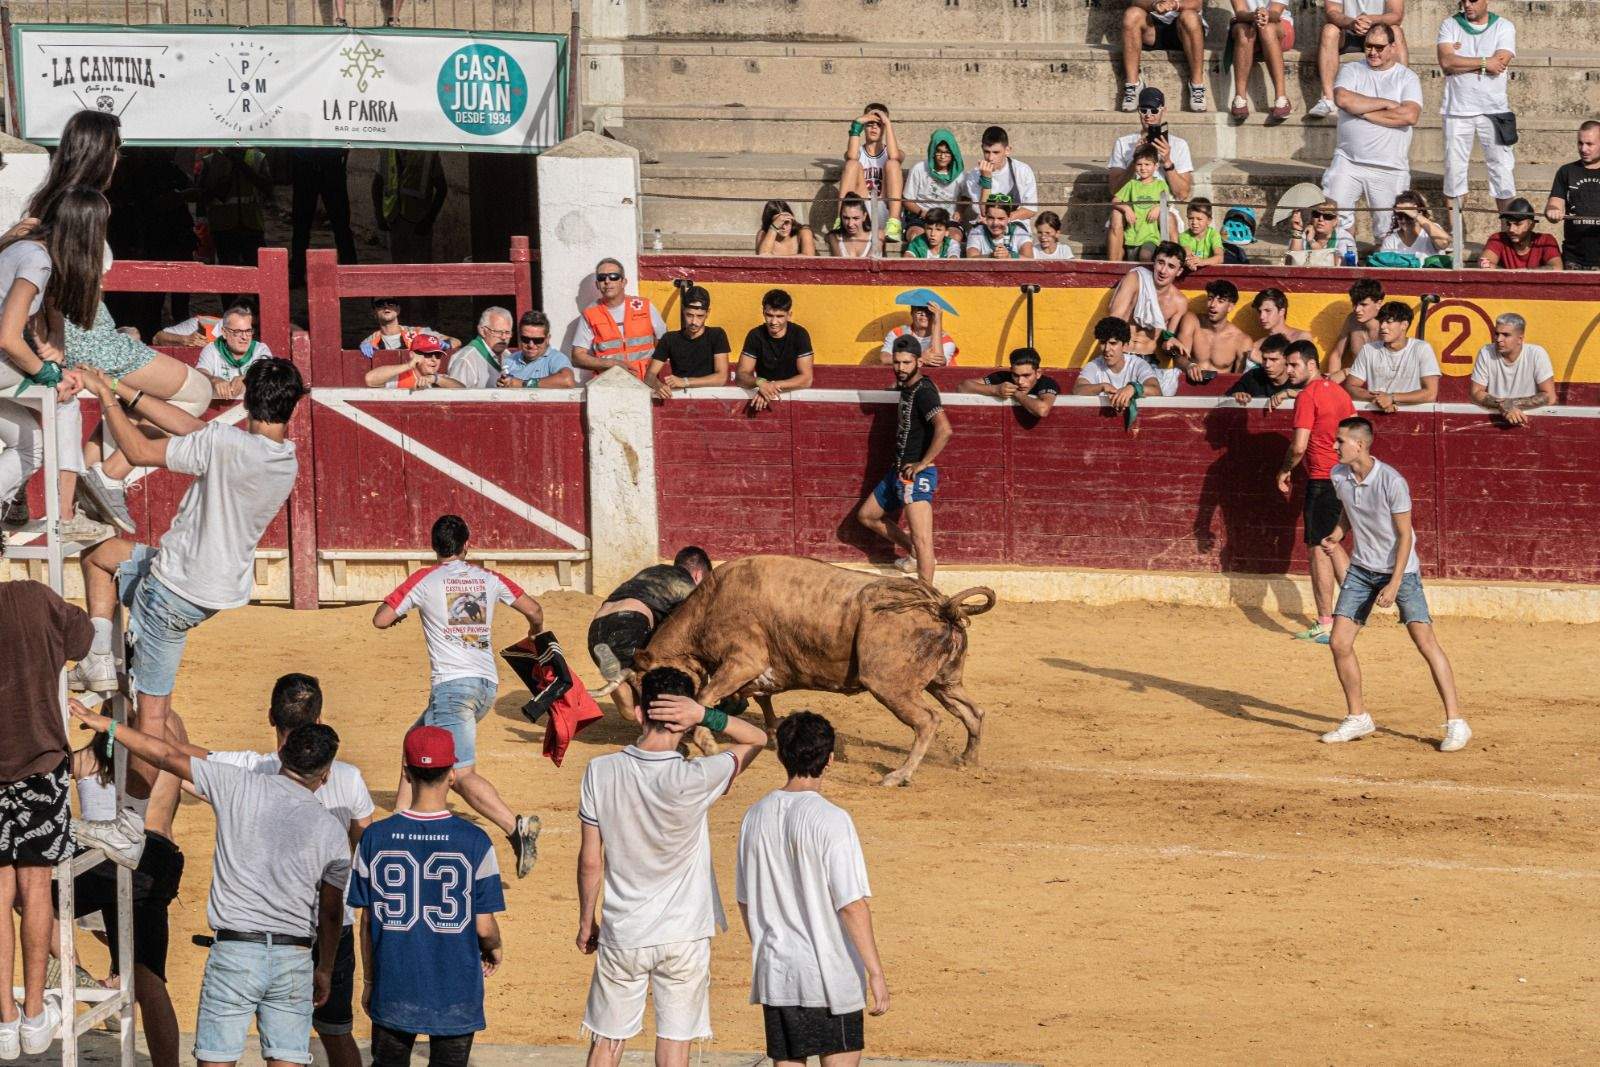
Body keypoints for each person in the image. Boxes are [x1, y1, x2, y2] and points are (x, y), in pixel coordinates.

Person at [72, 358, 308, 868]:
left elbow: (136, 450)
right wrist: (118, 384)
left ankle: (128, 822)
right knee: (101, 552)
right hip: (204, 591)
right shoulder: (281, 458)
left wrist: (107, 397)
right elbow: (198, 430)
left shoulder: (225, 446)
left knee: (151, 720)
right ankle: (95, 649)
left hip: (169, 591)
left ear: (245, 399)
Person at [67, 705, 356, 1064]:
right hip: (294, 958)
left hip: (235, 952)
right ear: (325, 776)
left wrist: (109, 726)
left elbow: (167, 755)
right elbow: (330, 910)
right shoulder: (330, 828)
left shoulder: (236, 784)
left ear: (282, 753)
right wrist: (325, 967)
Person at [576, 667, 768, 1067]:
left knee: (607, 1040)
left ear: (642, 713)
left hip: (623, 930)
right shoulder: (698, 775)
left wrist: (586, 920)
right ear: (682, 720)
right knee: (675, 1044)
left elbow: (591, 860)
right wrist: (706, 716)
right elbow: (758, 738)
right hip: (684, 934)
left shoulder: (600, 771)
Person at [178, 674, 370, 1067]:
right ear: (320, 721)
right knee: (335, 1034)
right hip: (328, 931)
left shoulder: (246, 770)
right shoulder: (347, 775)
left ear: (270, 717)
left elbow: (180, 756)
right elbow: (362, 842)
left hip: (246, 936)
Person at [373, 514, 544, 879]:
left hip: (452, 690)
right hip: (486, 686)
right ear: (468, 545)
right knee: (413, 742)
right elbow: (535, 610)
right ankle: (399, 824)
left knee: (459, 774)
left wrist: (405, 613)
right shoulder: (488, 578)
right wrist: (535, 633)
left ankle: (516, 828)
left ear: (434, 546)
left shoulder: (424, 579)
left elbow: (381, 619)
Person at [735, 712, 890, 1067]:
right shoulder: (832, 819)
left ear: (781, 756)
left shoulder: (754, 816)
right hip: (830, 972)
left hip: (778, 971)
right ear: (829, 759)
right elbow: (851, 904)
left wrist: (768, 947)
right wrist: (876, 973)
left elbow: (745, 900)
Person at [347, 725, 506, 1067]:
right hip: (456, 990)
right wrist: (494, 949)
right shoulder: (476, 841)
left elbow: (367, 922)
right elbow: (483, 926)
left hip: (394, 983)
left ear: (405, 770)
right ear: (452, 774)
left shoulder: (375, 838)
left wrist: (371, 980)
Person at [1319, 418, 1470, 751]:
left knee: (1425, 641)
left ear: (1359, 444)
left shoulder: (1392, 481)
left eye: (1340, 441)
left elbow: (1405, 537)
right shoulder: (1338, 476)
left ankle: (1457, 722)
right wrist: (1338, 534)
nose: (1334, 446)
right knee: (1339, 642)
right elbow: (1347, 511)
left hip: (1401, 570)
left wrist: (1395, 582)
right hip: (1361, 568)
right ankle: (1358, 717)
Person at [0, 576, 93, 1056]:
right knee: (36, 889)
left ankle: (5, 1016)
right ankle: (34, 1012)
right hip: (39, 762)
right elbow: (83, 637)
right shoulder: (33, 598)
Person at [68, 708, 191, 1067]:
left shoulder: (150, 726)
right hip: (151, 856)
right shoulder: (164, 724)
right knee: (147, 976)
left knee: (32, 894)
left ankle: (70, 968)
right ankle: (74, 970)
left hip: (129, 855)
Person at [1276, 340, 1355, 644]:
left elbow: (1298, 446)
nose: (1288, 370)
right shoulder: (1339, 393)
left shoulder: (1308, 396)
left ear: (1312, 364)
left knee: (1318, 547)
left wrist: (1284, 469)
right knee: (1332, 543)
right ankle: (1355, 611)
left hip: (1323, 479)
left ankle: (1326, 621)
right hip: (1344, 477)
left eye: (1294, 365)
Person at [855, 336, 951, 584]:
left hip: (915, 474)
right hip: (898, 470)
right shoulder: (909, 387)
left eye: (907, 363)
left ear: (919, 361)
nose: (900, 368)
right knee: (867, 515)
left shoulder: (925, 392)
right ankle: (912, 552)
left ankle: (926, 595)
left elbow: (945, 429)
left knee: (923, 539)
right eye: (897, 362)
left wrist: (922, 464)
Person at [587, 545, 715, 718]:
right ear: (698, 575)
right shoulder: (688, 585)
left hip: (597, 629)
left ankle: (618, 678)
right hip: (630, 624)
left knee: (629, 709)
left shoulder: (652, 571)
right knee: (649, 699)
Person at [1321, 25, 1422, 243]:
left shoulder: (1407, 77)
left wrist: (1362, 112)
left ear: (1393, 47)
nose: (1372, 52)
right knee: (1335, 224)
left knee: (1390, 234)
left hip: (1390, 167)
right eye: (1368, 46)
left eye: (1379, 47)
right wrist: (1386, 104)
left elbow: (1409, 115)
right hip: (1348, 162)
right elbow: (1343, 100)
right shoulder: (1351, 69)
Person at [1437, 0, 1517, 218]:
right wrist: (1484, 62)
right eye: (1464, 0)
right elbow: (1446, 62)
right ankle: (1456, 241)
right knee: (1454, 174)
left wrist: (1460, 62)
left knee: (1502, 173)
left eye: (1473, 0)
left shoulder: (1504, 26)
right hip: (1457, 110)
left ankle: (1507, 232)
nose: (1467, 5)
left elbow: (1499, 63)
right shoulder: (1449, 24)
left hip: (1495, 111)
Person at [1308, 0, 1408, 118]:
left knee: (1396, 31)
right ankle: (1329, 99)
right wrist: (1352, 23)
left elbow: (1396, 15)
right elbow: (1332, 12)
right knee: (1329, 30)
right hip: (1348, 31)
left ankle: (1400, 98)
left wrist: (1370, 21)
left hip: (1379, 32)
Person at [571, 258, 669, 377]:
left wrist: (653, 376)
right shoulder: (590, 313)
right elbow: (577, 357)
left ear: (623, 282)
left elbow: (665, 345)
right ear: (597, 284)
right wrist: (611, 363)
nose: (607, 281)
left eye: (613, 276)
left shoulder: (644, 306)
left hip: (646, 382)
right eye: (602, 278)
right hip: (609, 384)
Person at [1343, 300, 1440, 411]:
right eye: (1381, 321)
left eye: (1389, 322)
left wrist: (1392, 398)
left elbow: (1431, 394)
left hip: (1414, 417)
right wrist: (1379, 399)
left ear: (1404, 325)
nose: (1383, 326)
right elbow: (1351, 387)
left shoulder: (1421, 349)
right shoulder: (1369, 349)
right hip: (1376, 414)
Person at [1108, 88, 1195, 207]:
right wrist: (1135, 160)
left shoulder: (1179, 145)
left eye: (1154, 110)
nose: (1148, 116)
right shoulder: (1122, 143)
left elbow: (1182, 195)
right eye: (1144, 110)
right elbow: (1114, 190)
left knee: (1170, 222)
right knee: (1116, 220)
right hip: (1129, 205)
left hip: (1163, 208)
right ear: (1138, 111)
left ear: (1163, 110)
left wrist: (1168, 162)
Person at [1107, 242, 1190, 366]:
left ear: (1179, 271)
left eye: (1171, 266)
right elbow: (1114, 319)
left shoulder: (1179, 302)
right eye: (1160, 263)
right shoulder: (1135, 279)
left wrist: (1170, 342)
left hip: (1147, 361)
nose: (1163, 270)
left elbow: (1167, 339)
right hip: (1120, 354)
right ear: (1154, 262)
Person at [1119, 0, 1208, 113]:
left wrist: (1174, 5)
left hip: (1184, 26)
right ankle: (1133, 85)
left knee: (1190, 16)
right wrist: (1154, 4)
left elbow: (1196, 4)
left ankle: (1197, 85)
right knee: (1131, 14)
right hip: (1152, 26)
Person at [1469, 312, 1556, 425]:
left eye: (1506, 335)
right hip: (1494, 423)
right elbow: (1475, 393)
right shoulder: (1486, 352)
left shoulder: (1536, 354)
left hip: (1528, 422)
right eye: (1497, 334)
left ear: (1520, 339)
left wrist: (1511, 404)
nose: (1499, 339)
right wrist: (1503, 405)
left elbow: (1550, 396)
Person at [288, 148, 357, 287]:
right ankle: (297, 272)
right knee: (302, 225)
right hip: (309, 167)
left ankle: (350, 272)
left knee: (340, 224)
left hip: (328, 167)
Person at [736, 289, 815, 412]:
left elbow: (806, 379)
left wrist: (770, 386)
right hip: (762, 396)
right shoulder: (755, 335)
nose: (773, 322)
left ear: (789, 315)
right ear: (763, 312)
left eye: (779, 316)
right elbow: (741, 376)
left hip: (794, 399)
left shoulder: (800, 334)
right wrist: (760, 382)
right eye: (769, 315)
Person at [645, 288, 729, 399]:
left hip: (711, 400)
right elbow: (649, 376)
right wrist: (658, 386)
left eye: (700, 316)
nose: (694, 322)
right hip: (680, 400)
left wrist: (685, 381)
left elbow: (721, 378)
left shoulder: (717, 335)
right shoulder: (669, 339)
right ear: (683, 310)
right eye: (689, 315)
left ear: (707, 313)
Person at [837, 105, 904, 242]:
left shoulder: (894, 153)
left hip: (886, 207)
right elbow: (851, 156)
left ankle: (894, 224)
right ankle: (840, 219)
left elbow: (895, 156)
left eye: (879, 125)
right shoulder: (857, 152)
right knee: (852, 164)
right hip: (860, 212)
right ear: (864, 126)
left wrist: (888, 123)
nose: (874, 128)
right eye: (869, 124)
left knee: (893, 164)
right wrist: (856, 125)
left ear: (884, 128)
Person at [197, 147, 272, 269]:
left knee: (255, 270)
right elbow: (203, 195)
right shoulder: (211, 160)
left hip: (251, 225)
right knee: (229, 271)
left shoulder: (258, 157)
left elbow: (268, 188)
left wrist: (242, 165)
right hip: (223, 227)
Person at [372, 150, 448, 266]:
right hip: (394, 219)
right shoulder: (387, 152)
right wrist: (379, 215)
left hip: (419, 221)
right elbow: (377, 184)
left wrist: (429, 220)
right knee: (398, 267)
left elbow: (442, 188)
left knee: (421, 269)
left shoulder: (427, 152)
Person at [1073, 316, 1159, 416]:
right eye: (1103, 342)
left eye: (1113, 343)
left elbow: (1156, 390)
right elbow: (1078, 389)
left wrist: (1134, 388)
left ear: (1125, 346)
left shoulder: (1138, 364)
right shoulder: (1094, 365)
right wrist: (1102, 386)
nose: (1106, 349)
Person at [1544, 121, 1600, 271]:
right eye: (1580, 143)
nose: (1584, 149)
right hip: (1573, 258)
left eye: (1590, 144)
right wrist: (1553, 211)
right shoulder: (1566, 171)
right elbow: (1554, 203)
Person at [959, 126, 1038, 229]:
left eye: (996, 152)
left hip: (1015, 224)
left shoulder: (1022, 171)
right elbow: (983, 212)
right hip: (986, 225)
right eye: (987, 152)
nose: (991, 158)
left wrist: (1005, 219)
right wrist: (986, 180)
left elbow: (1030, 210)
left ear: (1007, 150)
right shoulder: (974, 175)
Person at [1228, 0, 1293, 121]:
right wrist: (1254, 15)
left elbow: (1276, 13)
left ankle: (1281, 97)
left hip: (1278, 25)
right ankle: (1240, 98)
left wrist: (1265, 14)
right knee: (1243, 31)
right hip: (1247, 22)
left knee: (1267, 29)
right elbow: (1240, 12)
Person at [195, 303, 275, 401]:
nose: (244, 337)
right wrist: (214, 380)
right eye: (237, 332)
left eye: (248, 331)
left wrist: (246, 378)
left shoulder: (260, 349)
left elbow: (268, 373)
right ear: (224, 333)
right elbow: (200, 372)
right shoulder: (212, 349)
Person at [1176, 278, 1253, 378]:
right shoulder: (1192, 321)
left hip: (1221, 392)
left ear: (1230, 307)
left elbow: (1239, 380)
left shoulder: (1242, 341)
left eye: (1220, 301)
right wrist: (1189, 365)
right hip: (1190, 387)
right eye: (1210, 298)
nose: (1212, 305)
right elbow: (1179, 357)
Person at [959, 347, 1060, 419]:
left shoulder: (1046, 382)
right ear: (1011, 371)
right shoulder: (1002, 377)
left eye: (1026, 376)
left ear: (1038, 373)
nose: (1020, 382)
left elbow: (1042, 410)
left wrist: (1016, 393)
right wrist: (995, 389)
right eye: (1015, 375)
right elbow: (963, 387)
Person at [1110, 145, 1172, 262]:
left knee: (1145, 257)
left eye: (1147, 164)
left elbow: (1167, 202)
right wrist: (1126, 209)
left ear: (1156, 166)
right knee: (1132, 264)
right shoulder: (1131, 184)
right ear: (1134, 166)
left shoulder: (1160, 184)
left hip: (1150, 237)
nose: (1143, 168)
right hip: (1132, 237)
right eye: (1139, 164)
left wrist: (1159, 207)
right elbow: (1115, 200)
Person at [902, 129, 964, 244]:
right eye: (939, 152)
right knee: (916, 236)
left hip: (948, 219)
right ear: (932, 151)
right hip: (921, 217)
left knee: (954, 238)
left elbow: (965, 197)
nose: (942, 156)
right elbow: (906, 200)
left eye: (947, 152)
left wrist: (960, 210)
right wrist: (922, 212)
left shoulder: (959, 174)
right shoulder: (920, 169)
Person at [358, 297, 458, 359]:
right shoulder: (370, 341)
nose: (386, 306)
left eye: (391, 302)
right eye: (380, 304)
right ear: (374, 312)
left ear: (398, 309)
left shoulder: (418, 332)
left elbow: (456, 341)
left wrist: (446, 344)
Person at [501, 310, 577, 390]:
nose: (531, 345)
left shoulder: (555, 358)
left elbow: (568, 381)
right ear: (519, 337)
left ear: (547, 339)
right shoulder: (509, 360)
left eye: (537, 340)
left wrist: (523, 384)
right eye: (525, 339)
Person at [1326, 277, 1385, 379]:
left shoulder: (1388, 326)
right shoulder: (1352, 320)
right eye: (1354, 304)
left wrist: (1346, 372)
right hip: (1355, 383)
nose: (1357, 309)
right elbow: (1337, 354)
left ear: (1378, 304)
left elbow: (1387, 368)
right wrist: (1332, 379)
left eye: (1363, 304)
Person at [1478, 198, 1562, 269]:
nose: (1511, 229)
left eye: (1518, 224)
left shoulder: (1546, 240)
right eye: (1508, 224)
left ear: (1531, 225)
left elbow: (1556, 268)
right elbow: (1485, 263)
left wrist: (1525, 273)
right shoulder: (1498, 238)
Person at [363, 334, 462, 391]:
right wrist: (409, 365)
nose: (433, 359)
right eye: (428, 354)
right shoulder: (398, 378)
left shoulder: (438, 378)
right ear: (413, 355)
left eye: (438, 355)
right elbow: (370, 379)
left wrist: (436, 379)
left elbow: (463, 390)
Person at [448, 306, 514, 389]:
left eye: (507, 332)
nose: (504, 337)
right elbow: (457, 397)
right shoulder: (466, 360)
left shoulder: (507, 355)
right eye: (497, 332)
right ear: (482, 331)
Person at [1376, 189, 1452, 260]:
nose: (1403, 220)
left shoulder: (1430, 231)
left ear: (1420, 213)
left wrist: (1415, 215)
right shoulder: (1391, 240)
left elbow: (1444, 243)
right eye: (1399, 216)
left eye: (1408, 216)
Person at [880, 299, 957, 368]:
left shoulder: (946, 341)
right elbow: (885, 359)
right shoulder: (898, 333)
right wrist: (920, 358)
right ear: (912, 313)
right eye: (919, 311)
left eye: (929, 312)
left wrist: (937, 319)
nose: (924, 314)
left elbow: (937, 362)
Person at [964, 194, 1033, 259]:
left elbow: (1030, 260)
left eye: (1001, 219)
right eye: (991, 218)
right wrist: (991, 256)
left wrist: (1009, 256)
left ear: (1009, 218)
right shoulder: (976, 232)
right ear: (985, 217)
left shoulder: (1020, 233)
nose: (995, 223)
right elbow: (971, 258)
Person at [1285, 198, 1351, 265]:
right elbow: (1291, 263)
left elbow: (1338, 264)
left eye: (1327, 216)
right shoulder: (1303, 234)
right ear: (1311, 217)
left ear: (1335, 221)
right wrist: (1297, 229)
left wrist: (1311, 242)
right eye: (1316, 214)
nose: (1321, 219)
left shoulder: (1344, 237)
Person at [1229, 333, 1293, 402]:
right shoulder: (1253, 376)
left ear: (1287, 359)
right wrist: (1236, 396)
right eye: (1264, 359)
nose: (1267, 365)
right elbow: (1226, 398)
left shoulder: (1298, 379)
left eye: (1274, 359)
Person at [1250, 288, 1312, 352]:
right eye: (1259, 311)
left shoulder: (1300, 338)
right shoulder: (1257, 345)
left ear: (1281, 311)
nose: (1261, 317)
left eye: (1268, 311)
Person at [1178, 197, 1223, 269]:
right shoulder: (1184, 236)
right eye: (1191, 218)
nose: (1194, 222)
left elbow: (1220, 258)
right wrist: (1191, 263)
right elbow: (1188, 254)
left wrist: (1202, 262)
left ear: (1209, 220)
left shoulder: (1213, 234)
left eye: (1199, 219)